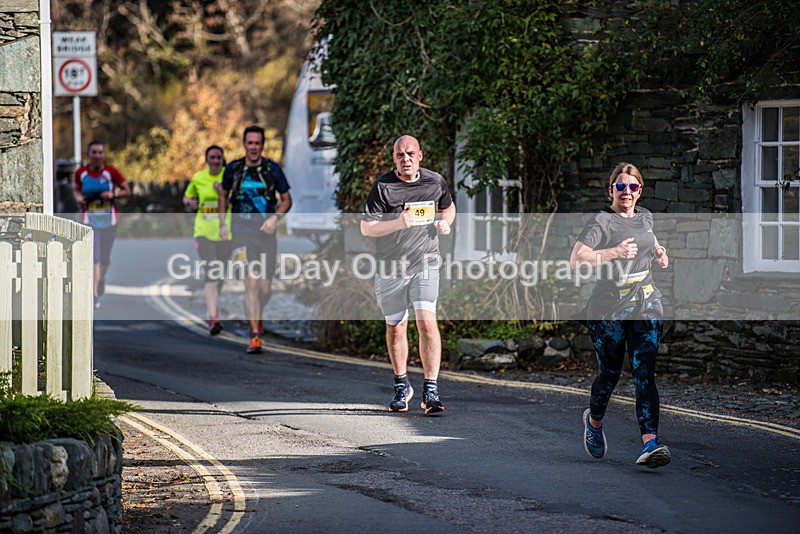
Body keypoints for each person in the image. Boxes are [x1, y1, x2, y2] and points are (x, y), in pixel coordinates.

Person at [569, 162, 671, 468]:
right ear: (611, 189)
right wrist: (613, 253)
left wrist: (660, 252)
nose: (627, 192)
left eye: (633, 187)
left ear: (641, 190)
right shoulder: (602, 220)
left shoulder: (646, 217)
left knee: (644, 372)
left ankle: (650, 442)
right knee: (610, 373)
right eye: (621, 186)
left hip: (645, 301)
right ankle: (595, 421)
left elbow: (650, 241)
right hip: (608, 306)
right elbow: (577, 259)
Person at [361, 135, 456, 415]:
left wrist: (445, 223)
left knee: (426, 321)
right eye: (400, 155)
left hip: (425, 262)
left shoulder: (434, 181)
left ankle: (431, 389)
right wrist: (398, 223)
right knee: (396, 326)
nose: (406, 159)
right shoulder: (382, 188)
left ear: (420, 156)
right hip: (390, 267)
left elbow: (448, 208)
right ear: (394, 158)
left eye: (410, 154)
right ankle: (402, 385)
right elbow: (367, 228)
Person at [218, 125, 292, 353]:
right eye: (249, 143)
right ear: (244, 144)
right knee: (251, 282)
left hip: (266, 234)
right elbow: (223, 194)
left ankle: (257, 313)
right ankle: (255, 335)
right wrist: (223, 223)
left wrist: (275, 220)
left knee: (265, 288)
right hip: (241, 233)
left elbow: (287, 199)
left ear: (262, 145)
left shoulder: (272, 169)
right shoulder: (233, 169)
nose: (253, 147)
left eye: (257, 143)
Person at [73, 140, 132, 308]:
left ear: (104, 155)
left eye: (100, 152)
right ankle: (94, 294)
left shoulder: (111, 172)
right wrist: (79, 197)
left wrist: (113, 194)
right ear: (88, 155)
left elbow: (127, 191)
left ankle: (102, 280)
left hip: (109, 222)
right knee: (95, 258)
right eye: (94, 152)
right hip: (90, 222)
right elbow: (76, 189)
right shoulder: (81, 173)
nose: (97, 156)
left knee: (105, 259)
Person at [183, 145, 231, 335]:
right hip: (203, 231)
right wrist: (190, 202)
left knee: (220, 274)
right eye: (212, 157)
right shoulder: (198, 178)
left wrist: (222, 192)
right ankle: (213, 317)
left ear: (222, 159)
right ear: (206, 159)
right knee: (211, 271)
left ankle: (213, 305)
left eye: (219, 157)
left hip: (226, 232)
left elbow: (234, 199)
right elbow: (186, 197)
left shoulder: (229, 177)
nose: (216, 161)